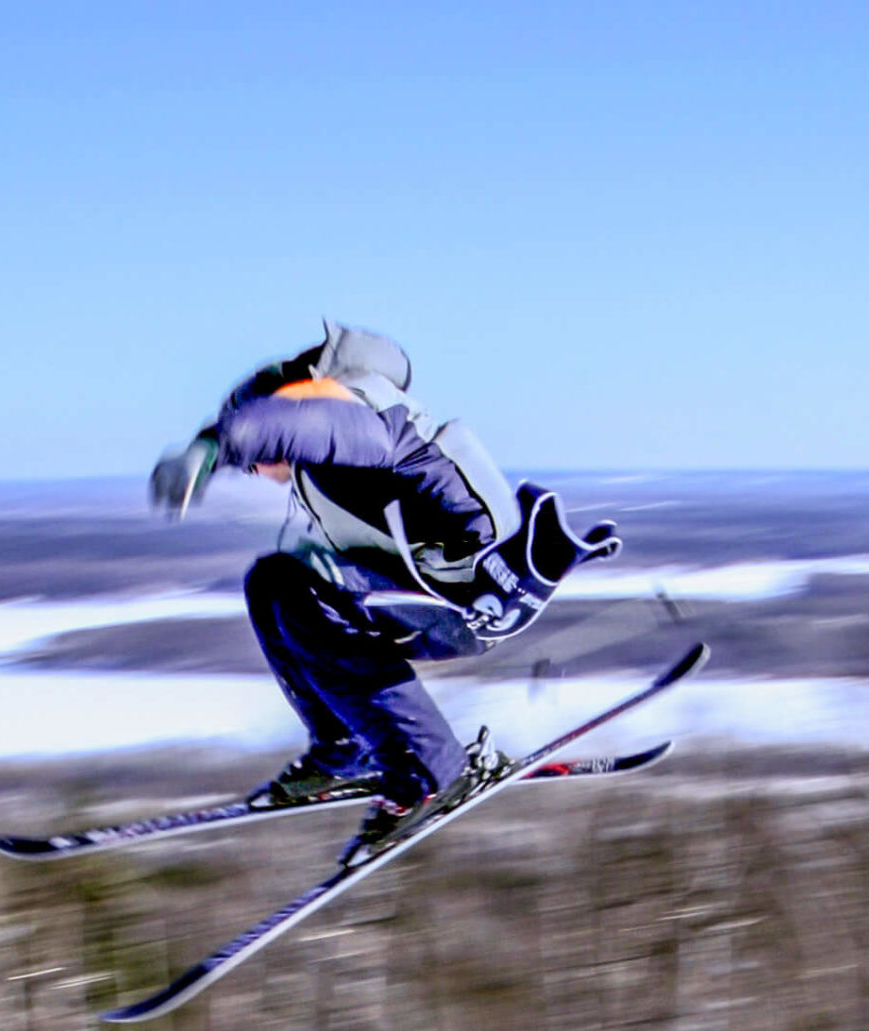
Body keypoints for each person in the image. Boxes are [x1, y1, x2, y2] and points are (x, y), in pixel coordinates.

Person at [149, 321, 621, 857]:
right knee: (274, 581)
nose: (255, 472)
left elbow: (310, 425)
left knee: (309, 594)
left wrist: (217, 443)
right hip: (438, 590)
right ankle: (344, 750)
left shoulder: (360, 408)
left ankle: (428, 768)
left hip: (476, 591)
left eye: (257, 460)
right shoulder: (333, 441)